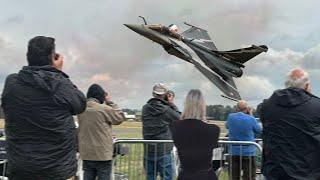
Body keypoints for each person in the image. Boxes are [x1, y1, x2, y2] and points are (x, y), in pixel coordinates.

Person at [1, 36, 86, 180]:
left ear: (28, 57)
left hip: (21, 169)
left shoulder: (12, 83)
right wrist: (57, 72)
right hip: (58, 171)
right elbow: (80, 104)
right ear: (52, 58)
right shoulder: (61, 84)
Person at [257, 68, 320, 180]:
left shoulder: (266, 106)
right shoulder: (316, 106)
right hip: (308, 173)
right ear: (306, 86)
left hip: (275, 172)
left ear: (287, 85)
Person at [77, 84, 125, 180]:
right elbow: (120, 117)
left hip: (86, 153)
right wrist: (109, 102)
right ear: (100, 96)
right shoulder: (104, 109)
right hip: (102, 154)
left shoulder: (81, 109)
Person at [170, 89, 220, 180]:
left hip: (185, 175)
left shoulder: (175, 127)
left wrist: (171, 103)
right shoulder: (213, 130)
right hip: (206, 176)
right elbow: (216, 161)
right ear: (202, 106)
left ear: (186, 105)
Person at [142, 83, 180, 180]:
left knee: (150, 177)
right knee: (167, 177)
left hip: (148, 150)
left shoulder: (145, 108)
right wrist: (171, 103)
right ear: (165, 94)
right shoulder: (166, 109)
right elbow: (179, 118)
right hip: (164, 150)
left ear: (153, 94)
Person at [226, 100, 262, 180]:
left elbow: (227, 126)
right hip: (248, 152)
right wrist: (251, 115)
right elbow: (259, 130)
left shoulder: (230, 117)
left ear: (236, 108)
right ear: (247, 109)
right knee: (249, 177)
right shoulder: (251, 119)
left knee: (233, 177)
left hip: (233, 152)